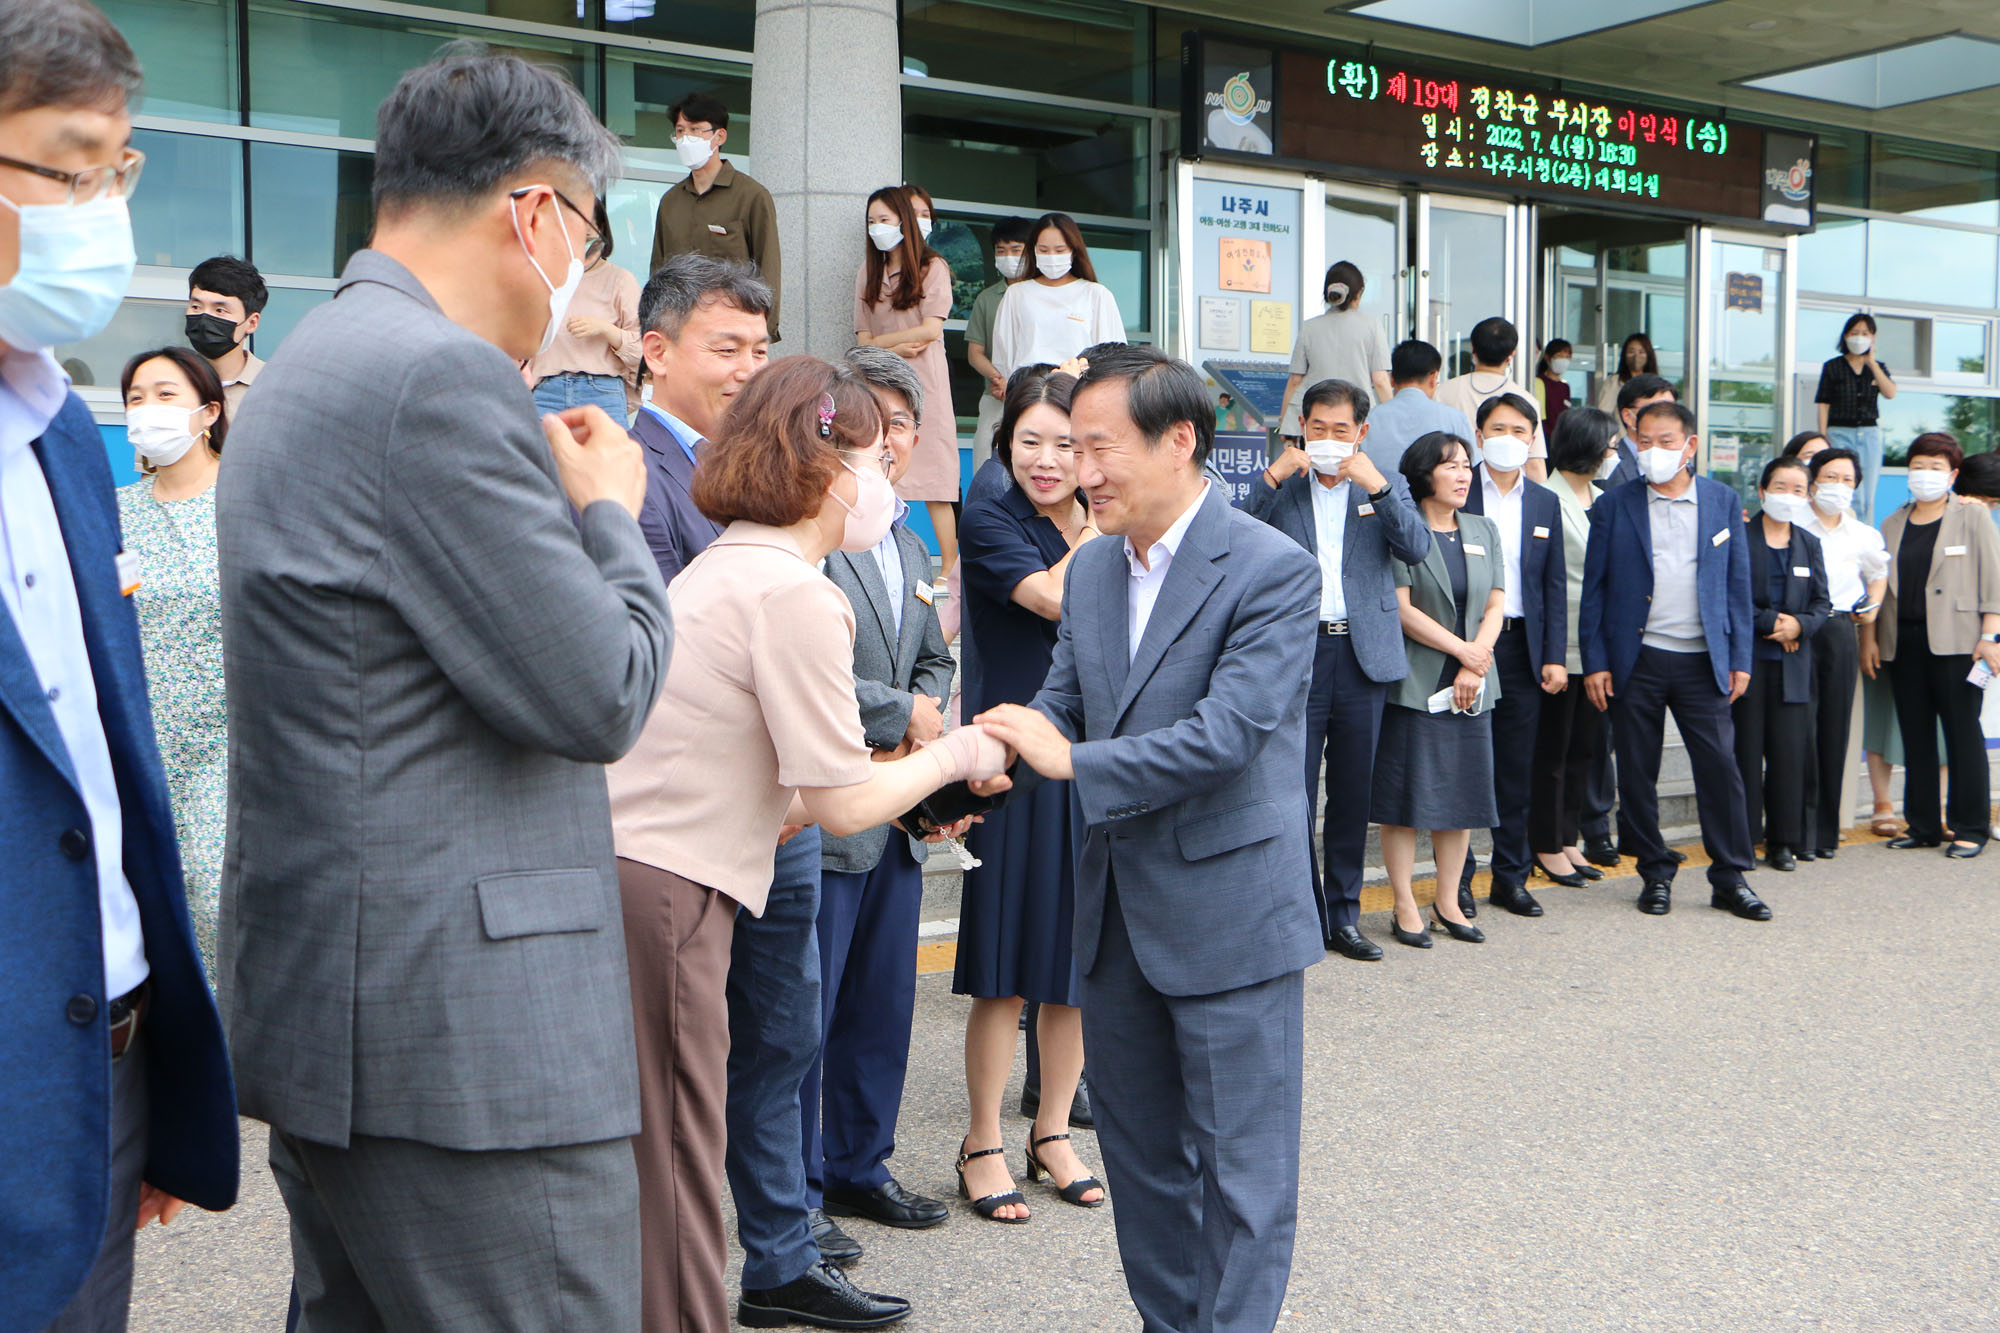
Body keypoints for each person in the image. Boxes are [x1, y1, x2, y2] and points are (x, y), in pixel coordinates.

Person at [220, 46, 676, 1328]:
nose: (578, 277)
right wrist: (611, 515)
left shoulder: (313, 358)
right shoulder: (438, 375)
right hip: (473, 1050)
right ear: (533, 212)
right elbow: (601, 689)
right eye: (587, 233)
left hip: (350, 1016)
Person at [606, 357, 1003, 1332]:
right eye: (873, 459)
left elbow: (786, 782)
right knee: (676, 1156)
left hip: (664, 872)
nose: (887, 482)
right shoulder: (790, 590)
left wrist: (908, 790)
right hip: (667, 886)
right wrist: (956, 749)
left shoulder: (735, 564)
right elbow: (838, 801)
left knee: (674, 1142)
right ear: (826, 471)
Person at [975, 343, 1322, 1333]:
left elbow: (1224, 738)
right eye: (1068, 448)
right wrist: (970, 772)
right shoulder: (1088, 571)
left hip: (1230, 917)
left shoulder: (1270, 569)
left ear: (1178, 441)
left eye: (1096, 447)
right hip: (1116, 919)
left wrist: (1066, 764)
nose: (1078, 473)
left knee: (1242, 1179)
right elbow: (1057, 709)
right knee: (1143, 1168)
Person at [1, 7, 240, 1326]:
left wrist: (134, 1080)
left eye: (121, 174)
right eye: (72, 168)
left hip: (107, 1061)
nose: (105, 215)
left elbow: (101, 759)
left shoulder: (60, 442)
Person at [628, 259, 901, 1310]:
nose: (747, 368)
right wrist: (944, 751)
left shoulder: (757, 539)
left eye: (760, 346)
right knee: (686, 1095)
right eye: (726, 346)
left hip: (762, 824)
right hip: (694, 841)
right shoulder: (647, 484)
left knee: (774, 1044)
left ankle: (779, 1254)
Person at [801, 346, 960, 1249]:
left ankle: (863, 1164)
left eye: (904, 425)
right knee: (806, 1022)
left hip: (896, 813)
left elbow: (935, 653)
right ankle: (800, 1195)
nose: (894, 442)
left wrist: (924, 717)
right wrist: (909, 717)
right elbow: (811, 664)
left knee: (880, 1006)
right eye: (877, 426)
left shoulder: (903, 539)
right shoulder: (816, 534)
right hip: (828, 812)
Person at [954, 365, 1107, 1222]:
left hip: (1082, 756)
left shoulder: (1086, 512)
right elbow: (1056, 601)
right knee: (1003, 973)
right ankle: (981, 1140)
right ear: (1005, 440)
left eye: (1068, 444)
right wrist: (1094, 524)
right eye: (1033, 442)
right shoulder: (993, 512)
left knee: (1070, 967)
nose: (1048, 460)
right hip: (1010, 756)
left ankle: (1052, 1131)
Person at [1242, 378, 1429, 959]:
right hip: (1297, 655)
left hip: (1361, 656)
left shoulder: (1382, 486)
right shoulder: (1282, 487)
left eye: (1339, 430)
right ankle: (1296, 912)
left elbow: (1417, 547)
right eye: (1316, 428)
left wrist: (1377, 485)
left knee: (1351, 794)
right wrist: (1273, 474)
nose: (1326, 439)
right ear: (1302, 429)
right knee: (1290, 789)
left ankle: (1344, 915)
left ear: (1361, 433)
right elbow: (1227, 534)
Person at [1580, 400, 1769, 921]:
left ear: (1689, 446)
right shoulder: (1614, 505)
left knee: (1721, 769)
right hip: (1635, 660)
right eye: (1644, 440)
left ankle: (1730, 877)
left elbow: (1736, 585)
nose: (1654, 451)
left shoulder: (1722, 500)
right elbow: (1593, 590)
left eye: (1666, 441)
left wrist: (1740, 658)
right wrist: (1596, 661)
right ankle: (1655, 872)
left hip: (1703, 659)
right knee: (1638, 772)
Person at [115, 347, 228, 977]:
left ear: (207, 412)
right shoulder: (113, 512)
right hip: (138, 750)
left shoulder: (252, 500)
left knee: (217, 907)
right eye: (135, 397)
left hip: (230, 748)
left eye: (165, 395)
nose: (146, 410)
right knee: (146, 919)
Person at [1373, 430, 1504, 947]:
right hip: (1416, 681)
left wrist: (1477, 662)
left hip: (1473, 684)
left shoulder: (1482, 528)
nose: (1463, 474)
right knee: (1405, 801)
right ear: (1424, 473)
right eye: (1451, 465)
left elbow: (1495, 603)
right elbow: (1402, 610)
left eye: (1467, 466)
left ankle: (1449, 900)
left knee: (1463, 798)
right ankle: (1404, 903)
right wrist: (1462, 652)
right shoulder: (1405, 532)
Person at [1456, 393, 1567, 919]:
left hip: (1523, 647)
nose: (1508, 437)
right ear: (1479, 437)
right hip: (1463, 641)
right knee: (1460, 761)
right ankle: (1458, 879)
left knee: (1516, 767)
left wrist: (1554, 655)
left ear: (1533, 439)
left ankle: (1510, 875)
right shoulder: (1456, 487)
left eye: (1520, 430)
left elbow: (1552, 584)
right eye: (1497, 428)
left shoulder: (1544, 501)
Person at [1867, 432, 2000, 858]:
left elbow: (1993, 580)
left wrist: (1988, 636)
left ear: (1953, 475)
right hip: (1902, 642)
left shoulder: (1972, 516)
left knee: (1963, 735)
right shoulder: (1892, 523)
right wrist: (1870, 638)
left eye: (1936, 467)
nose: (1926, 475)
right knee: (1916, 735)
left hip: (1959, 644)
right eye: (1919, 466)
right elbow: (1878, 587)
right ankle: (1923, 825)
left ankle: (1971, 827)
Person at [1527, 408, 1619, 887]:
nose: (1614, 455)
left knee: (1586, 748)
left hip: (1599, 646)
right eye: (1610, 446)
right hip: (1560, 643)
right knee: (1554, 751)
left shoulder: (1604, 498)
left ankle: (1569, 839)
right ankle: (1546, 842)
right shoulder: (1547, 498)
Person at [855, 185, 960, 572]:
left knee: (937, 477)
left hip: (927, 385)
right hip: (881, 385)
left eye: (885, 220)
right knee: (882, 466)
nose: (877, 228)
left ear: (904, 221)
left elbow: (930, 331)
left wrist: (881, 344)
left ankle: (949, 566)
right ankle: (879, 555)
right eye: (871, 221)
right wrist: (893, 347)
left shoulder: (934, 268)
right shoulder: (869, 272)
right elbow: (862, 339)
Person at [1734, 456, 1831, 871]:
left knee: (1789, 756)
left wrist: (1801, 626)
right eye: (1779, 487)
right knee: (1745, 751)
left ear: (1808, 496)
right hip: (1748, 664)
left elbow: (1823, 603)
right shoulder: (1739, 537)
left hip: (1794, 666)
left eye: (1798, 490)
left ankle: (1782, 841)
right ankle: (1742, 838)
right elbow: (1728, 598)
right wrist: (1773, 622)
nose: (1788, 496)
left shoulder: (1809, 543)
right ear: (1761, 491)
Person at [1800, 446, 1887, 860]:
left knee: (1833, 729)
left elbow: (1879, 573)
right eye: (1830, 478)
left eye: (1847, 480)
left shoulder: (1863, 534)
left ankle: (1824, 832)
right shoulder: (1795, 523)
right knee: (1797, 729)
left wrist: (1870, 608)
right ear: (1813, 481)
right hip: (1796, 629)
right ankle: (1792, 826)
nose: (1838, 487)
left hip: (1838, 629)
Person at [650, 93, 782, 339]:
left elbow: (768, 268)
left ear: (719, 136)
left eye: (695, 130)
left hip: (734, 329)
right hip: (681, 329)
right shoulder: (670, 201)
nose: (685, 138)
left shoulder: (751, 195)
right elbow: (658, 269)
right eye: (680, 131)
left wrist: (764, 330)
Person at [529, 196, 640, 421]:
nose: (580, 233)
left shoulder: (620, 280)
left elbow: (645, 352)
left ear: (600, 228)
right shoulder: (543, 277)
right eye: (570, 224)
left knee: (608, 457)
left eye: (587, 224)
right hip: (545, 391)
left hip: (602, 390)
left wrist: (606, 330)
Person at [989, 212, 1126, 386]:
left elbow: (1112, 356)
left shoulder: (1096, 294)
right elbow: (1003, 355)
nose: (1051, 256)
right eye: (1043, 250)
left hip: (1079, 391)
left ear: (1074, 251)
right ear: (1033, 250)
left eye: (1060, 250)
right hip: (1030, 391)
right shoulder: (1016, 294)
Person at [1280, 260, 1392, 435]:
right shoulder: (1372, 326)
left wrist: (1284, 423)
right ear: (1358, 294)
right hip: (1355, 420)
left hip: (1316, 422)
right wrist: (1392, 418)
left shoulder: (1309, 327)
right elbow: (1380, 381)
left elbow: (1295, 380)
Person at [1436, 316, 1548, 481]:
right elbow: (1535, 463)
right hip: (1510, 489)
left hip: (1455, 486)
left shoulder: (1444, 391)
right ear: (1511, 355)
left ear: (1473, 349)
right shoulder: (1526, 399)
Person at [963, 215, 1036, 458]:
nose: (1008, 256)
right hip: (995, 395)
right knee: (986, 463)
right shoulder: (987, 298)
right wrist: (1000, 379)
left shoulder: (1042, 294)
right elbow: (975, 353)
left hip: (1035, 394)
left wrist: (1016, 384)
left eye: (1016, 249)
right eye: (1001, 250)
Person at [1815, 313, 1897, 522]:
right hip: (1839, 431)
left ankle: (1864, 537)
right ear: (1845, 336)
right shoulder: (1832, 366)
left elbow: (1890, 392)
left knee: (1867, 494)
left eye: (1864, 333)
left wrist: (1871, 363)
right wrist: (1823, 437)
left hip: (1869, 433)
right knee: (1845, 490)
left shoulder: (1878, 367)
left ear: (1873, 337)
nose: (1859, 337)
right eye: (1854, 333)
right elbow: (1823, 403)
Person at [1363, 338, 1476, 475]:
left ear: (1391, 378)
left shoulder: (1368, 419)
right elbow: (1473, 464)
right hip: (1436, 496)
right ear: (1434, 377)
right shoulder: (1455, 418)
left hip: (1380, 494)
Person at [184, 254, 266, 420]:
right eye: (196, 306)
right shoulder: (170, 380)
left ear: (251, 323)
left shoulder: (272, 385)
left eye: (220, 310)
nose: (204, 318)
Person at [1593, 331, 1659, 414]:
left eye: (1641, 352)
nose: (1636, 356)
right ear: (1624, 355)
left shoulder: (1656, 384)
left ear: (1649, 355)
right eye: (1631, 352)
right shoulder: (1615, 381)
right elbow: (1604, 412)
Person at [1532, 338, 1573, 429]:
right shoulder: (1538, 382)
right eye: (1559, 356)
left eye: (1567, 357)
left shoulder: (1565, 387)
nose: (1564, 361)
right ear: (1547, 357)